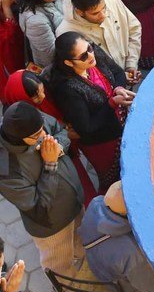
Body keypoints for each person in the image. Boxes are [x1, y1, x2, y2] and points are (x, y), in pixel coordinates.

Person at [0, 101, 85, 275]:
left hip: (74, 201)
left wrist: (58, 146)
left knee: (80, 239)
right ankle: (68, 287)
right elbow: (39, 207)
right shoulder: (4, 169)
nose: (43, 135)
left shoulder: (34, 121)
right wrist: (50, 163)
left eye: (41, 128)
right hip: (53, 225)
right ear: (19, 138)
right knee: (60, 265)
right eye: (36, 135)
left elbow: (61, 130)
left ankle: (80, 255)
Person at [47, 31, 133, 190]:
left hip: (120, 122)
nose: (90, 55)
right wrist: (112, 103)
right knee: (114, 180)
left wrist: (119, 88)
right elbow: (86, 128)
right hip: (102, 141)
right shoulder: (66, 89)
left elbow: (118, 72)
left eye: (89, 48)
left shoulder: (94, 55)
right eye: (83, 56)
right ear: (68, 63)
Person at [78, 180, 154, 292]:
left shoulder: (96, 203)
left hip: (95, 261)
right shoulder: (132, 252)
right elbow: (149, 285)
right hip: (116, 284)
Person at [60, 0, 141, 77]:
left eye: (104, 8)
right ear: (79, 12)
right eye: (95, 13)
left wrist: (131, 64)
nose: (103, 15)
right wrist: (117, 79)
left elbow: (134, 29)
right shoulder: (65, 32)